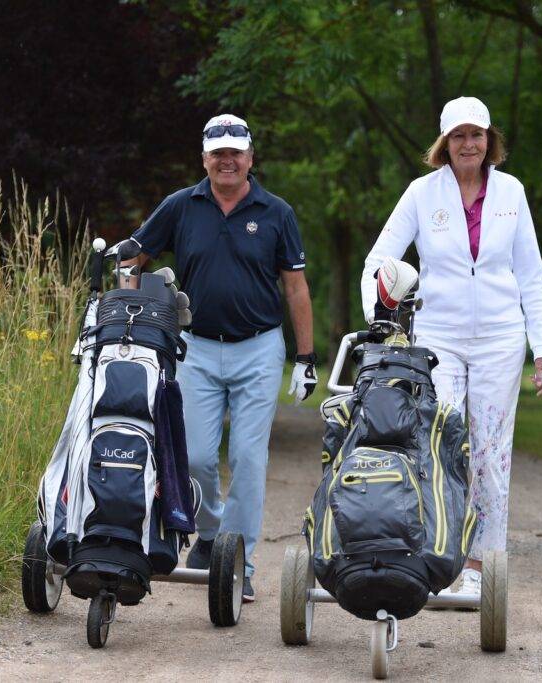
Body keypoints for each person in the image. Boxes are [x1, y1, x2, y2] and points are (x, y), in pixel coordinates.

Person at [360, 96, 542, 602]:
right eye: (460, 136)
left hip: (500, 337)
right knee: (440, 441)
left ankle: (480, 566)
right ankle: (437, 552)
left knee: (490, 454)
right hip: (438, 336)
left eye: (478, 134)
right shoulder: (422, 194)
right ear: (444, 144)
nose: (470, 144)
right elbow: (380, 259)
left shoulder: (512, 191)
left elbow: (531, 274)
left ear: (491, 140)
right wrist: (379, 317)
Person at [125, 114, 317, 603]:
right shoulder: (181, 205)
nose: (227, 160)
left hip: (259, 349)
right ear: (205, 158)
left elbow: (295, 287)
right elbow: (134, 256)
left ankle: (240, 563)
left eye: (236, 151)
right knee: (195, 459)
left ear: (251, 158)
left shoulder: (276, 212)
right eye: (218, 152)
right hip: (197, 348)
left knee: (250, 459)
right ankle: (211, 534)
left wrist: (307, 356)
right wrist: (132, 306)